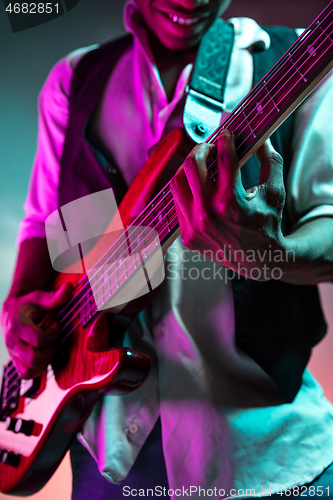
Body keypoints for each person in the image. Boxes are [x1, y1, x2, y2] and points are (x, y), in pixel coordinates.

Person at [2, 0, 333, 498]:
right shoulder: (74, 79)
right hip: (104, 463)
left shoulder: (291, 59)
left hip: (263, 457)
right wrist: (18, 309)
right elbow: (41, 224)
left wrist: (273, 252)